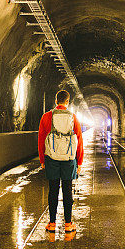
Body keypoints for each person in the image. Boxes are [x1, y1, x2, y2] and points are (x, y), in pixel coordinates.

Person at [39, 89, 84, 235]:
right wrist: (79, 161)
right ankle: (68, 224)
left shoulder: (46, 117)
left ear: (55, 100)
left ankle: (52, 223)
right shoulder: (73, 117)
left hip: (51, 158)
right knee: (67, 189)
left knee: (53, 190)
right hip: (69, 159)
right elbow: (79, 140)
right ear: (67, 102)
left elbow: (41, 139)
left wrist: (42, 159)